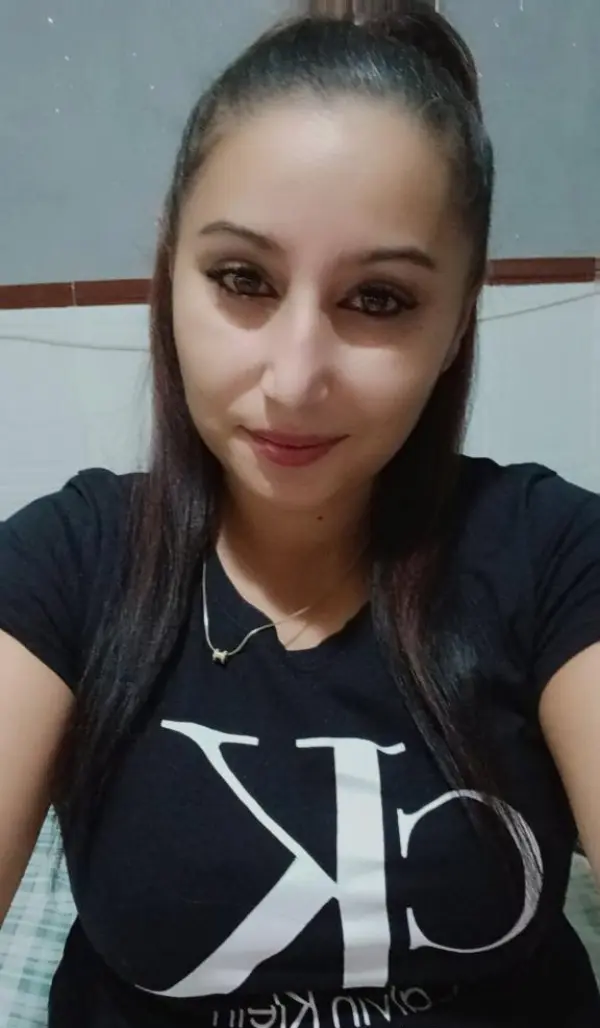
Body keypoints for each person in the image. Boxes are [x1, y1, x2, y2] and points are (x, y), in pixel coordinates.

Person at [1, 1, 599, 1025]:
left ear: (459, 321)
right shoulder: (69, 562)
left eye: (379, 299)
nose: (294, 377)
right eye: (242, 279)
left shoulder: (550, 555)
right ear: (169, 273)